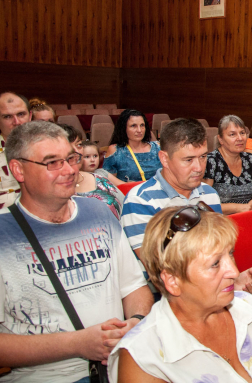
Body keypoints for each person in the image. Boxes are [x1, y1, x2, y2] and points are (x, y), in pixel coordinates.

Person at [0, 121, 153, 382]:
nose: (70, 170)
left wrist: (136, 322)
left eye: (71, 158)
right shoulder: (4, 234)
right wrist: (77, 344)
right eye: (52, 162)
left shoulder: (99, 212)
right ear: (18, 170)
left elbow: (134, 287)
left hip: (119, 367)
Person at [108, 206, 252, 383]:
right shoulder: (143, 358)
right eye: (215, 263)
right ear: (172, 280)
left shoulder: (248, 307)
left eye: (230, 254)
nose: (234, 271)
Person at [120, 118, 252, 294]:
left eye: (203, 157)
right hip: (169, 296)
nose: (199, 168)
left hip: (208, 289)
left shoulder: (209, 194)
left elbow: (218, 249)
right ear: (164, 159)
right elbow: (159, 268)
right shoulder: (141, 201)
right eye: (188, 160)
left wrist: (231, 279)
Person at [59, 123, 124, 219]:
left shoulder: (100, 177)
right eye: (69, 146)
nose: (76, 151)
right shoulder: (55, 189)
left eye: (79, 145)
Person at [204, 115, 252, 214]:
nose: (240, 138)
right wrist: (237, 208)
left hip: (249, 214)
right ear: (220, 139)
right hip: (221, 218)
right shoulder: (211, 161)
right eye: (232, 134)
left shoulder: (251, 159)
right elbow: (205, 204)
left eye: (242, 133)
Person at [102, 109, 162, 182]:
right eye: (133, 126)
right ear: (123, 128)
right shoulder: (116, 150)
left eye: (142, 125)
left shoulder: (158, 147)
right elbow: (108, 183)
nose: (139, 130)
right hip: (128, 189)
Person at [0, 91, 32, 209]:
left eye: (21, 114)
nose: (17, 122)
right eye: (7, 116)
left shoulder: (47, 147)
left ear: (30, 116)